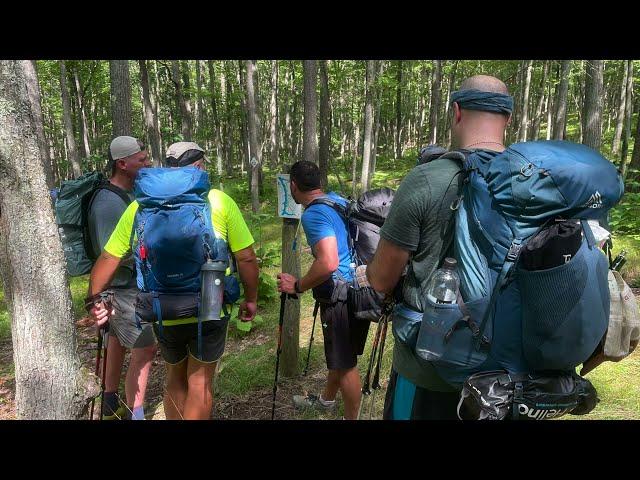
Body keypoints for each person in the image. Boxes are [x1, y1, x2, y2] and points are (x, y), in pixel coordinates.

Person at [366, 75, 513, 419]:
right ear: (508, 118)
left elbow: (381, 280)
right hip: (505, 377)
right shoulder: (533, 181)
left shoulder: (427, 178)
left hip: (429, 372)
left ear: (457, 111)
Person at [88, 141, 259, 420]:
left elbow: (109, 257)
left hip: (161, 304)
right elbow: (247, 259)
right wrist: (250, 299)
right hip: (210, 301)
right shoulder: (217, 200)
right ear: (200, 166)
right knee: (200, 381)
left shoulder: (141, 207)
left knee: (174, 375)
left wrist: (93, 300)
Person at [277, 161, 370, 420]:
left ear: (293, 186)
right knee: (341, 355)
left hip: (340, 296)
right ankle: (327, 401)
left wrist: (297, 285)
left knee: (346, 365)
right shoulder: (336, 200)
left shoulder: (313, 214)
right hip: (357, 286)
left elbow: (328, 262)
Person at [86, 135, 154, 420]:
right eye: (142, 160)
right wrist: (147, 252)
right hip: (122, 288)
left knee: (116, 341)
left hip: (127, 285)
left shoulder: (128, 195)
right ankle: (135, 413)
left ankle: (110, 400)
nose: (148, 163)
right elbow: (108, 254)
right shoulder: (107, 203)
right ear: (122, 164)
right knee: (146, 346)